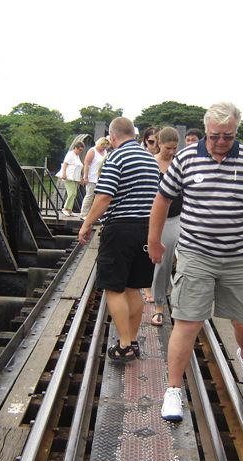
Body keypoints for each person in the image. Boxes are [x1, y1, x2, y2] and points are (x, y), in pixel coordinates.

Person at [147, 102, 243, 422]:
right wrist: (154, 241)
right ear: (206, 130)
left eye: (228, 135)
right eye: (215, 136)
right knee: (187, 321)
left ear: (236, 131)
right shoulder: (185, 159)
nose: (222, 142)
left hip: (240, 255)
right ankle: (173, 390)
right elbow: (163, 199)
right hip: (196, 254)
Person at [79, 117, 159, 361]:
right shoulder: (150, 159)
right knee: (133, 288)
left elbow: (104, 197)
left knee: (113, 288)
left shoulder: (116, 157)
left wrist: (86, 223)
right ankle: (132, 341)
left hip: (120, 229)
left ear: (112, 137)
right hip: (145, 230)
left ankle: (124, 344)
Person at [148, 127, 181, 327]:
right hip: (161, 220)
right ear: (159, 144)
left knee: (187, 260)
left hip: (181, 217)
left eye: (175, 148)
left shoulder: (180, 164)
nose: (172, 152)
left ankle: (183, 305)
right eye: (168, 148)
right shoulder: (151, 164)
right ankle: (159, 306)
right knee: (162, 262)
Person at [139, 126, 160, 302]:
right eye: (151, 141)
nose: (154, 145)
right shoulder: (141, 158)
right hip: (144, 211)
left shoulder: (168, 159)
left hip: (163, 212)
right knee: (146, 250)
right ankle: (147, 289)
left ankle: (155, 287)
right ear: (145, 141)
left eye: (156, 142)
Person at [79, 136, 110, 220]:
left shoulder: (105, 152)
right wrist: (85, 176)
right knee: (89, 196)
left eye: (105, 147)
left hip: (100, 178)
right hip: (92, 177)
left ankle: (95, 215)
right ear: (100, 144)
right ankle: (84, 214)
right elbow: (87, 164)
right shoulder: (92, 151)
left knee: (98, 198)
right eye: (103, 146)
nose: (104, 148)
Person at [57, 141, 85, 216]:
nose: (80, 152)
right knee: (71, 193)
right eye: (79, 150)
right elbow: (65, 164)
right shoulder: (70, 154)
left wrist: (80, 178)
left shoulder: (77, 156)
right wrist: (64, 173)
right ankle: (65, 208)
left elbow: (78, 168)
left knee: (74, 193)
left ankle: (69, 209)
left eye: (81, 150)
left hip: (74, 178)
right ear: (75, 148)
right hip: (69, 177)